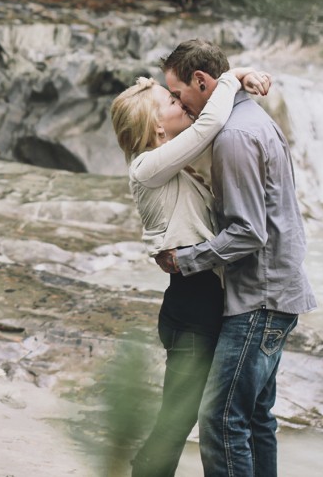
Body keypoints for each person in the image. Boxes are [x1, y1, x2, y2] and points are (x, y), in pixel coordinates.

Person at [154, 39, 318, 477]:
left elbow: (248, 231)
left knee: (221, 419)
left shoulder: (233, 137)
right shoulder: (249, 118)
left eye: (177, 93)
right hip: (279, 291)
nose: (177, 103)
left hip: (258, 300)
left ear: (203, 82)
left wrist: (185, 259)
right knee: (256, 419)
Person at [110, 65, 270, 477]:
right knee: (177, 422)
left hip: (204, 302)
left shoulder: (173, 167)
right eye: (171, 101)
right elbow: (212, 121)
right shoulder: (147, 167)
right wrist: (234, 76)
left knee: (211, 416)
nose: (181, 103)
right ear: (155, 127)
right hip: (191, 309)